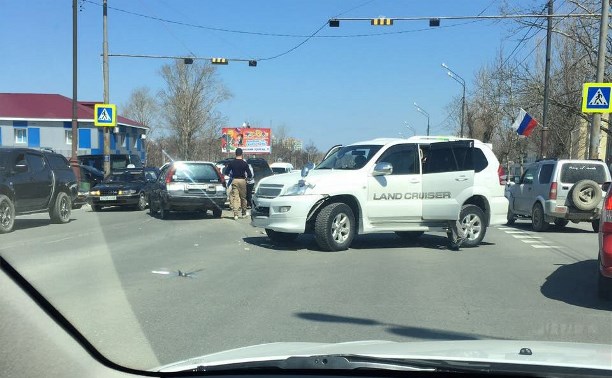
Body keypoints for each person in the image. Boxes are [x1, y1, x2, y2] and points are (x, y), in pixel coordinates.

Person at [223, 148, 253, 220]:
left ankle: (235, 214)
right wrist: (247, 178)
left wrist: (232, 176)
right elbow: (250, 175)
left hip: (235, 180)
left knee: (235, 198)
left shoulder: (232, 163)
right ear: (241, 154)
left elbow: (226, 172)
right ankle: (243, 213)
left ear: (235, 154)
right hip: (242, 180)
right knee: (243, 198)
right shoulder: (244, 163)